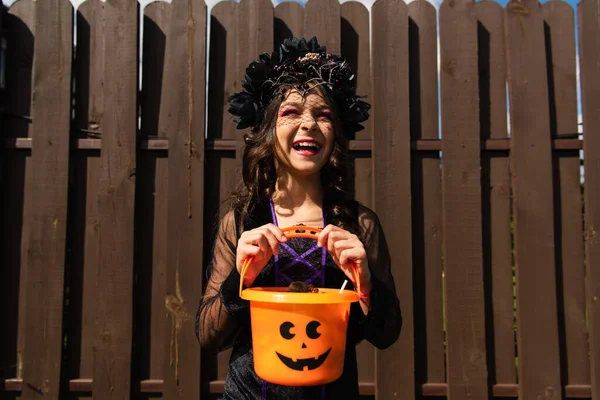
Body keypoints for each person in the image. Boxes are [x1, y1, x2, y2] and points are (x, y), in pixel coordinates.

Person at [196, 37, 402, 400]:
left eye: (323, 116)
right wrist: (240, 277)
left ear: (335, 132)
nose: (308, 124)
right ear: (267, 129)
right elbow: (208, 335)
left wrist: (365, 283)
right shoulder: (242, 221)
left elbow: (387, 335)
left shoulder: (360, 224)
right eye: (291, 112)